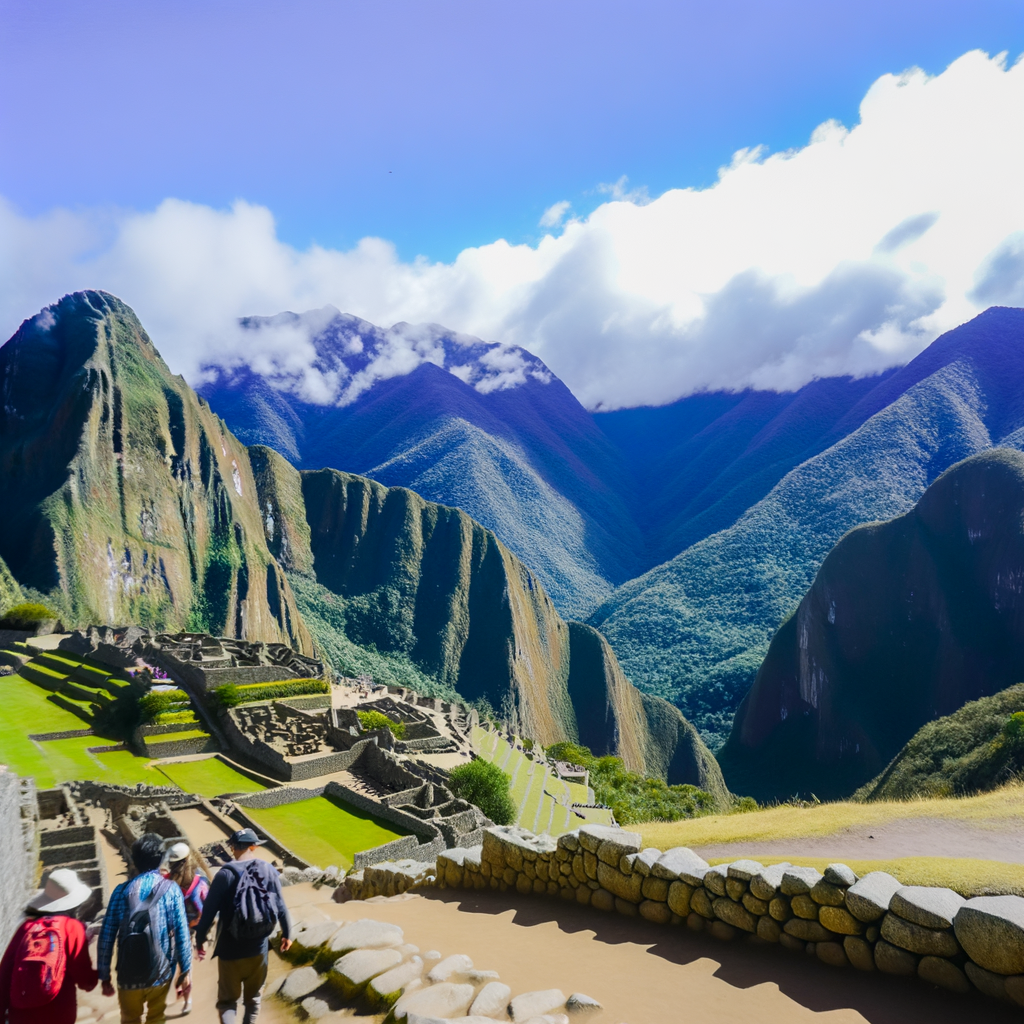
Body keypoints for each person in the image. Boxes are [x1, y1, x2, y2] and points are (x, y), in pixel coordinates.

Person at [194, 829, 292, 1024]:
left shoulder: (224, 875)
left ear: (232, 848)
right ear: (254, 846)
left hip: (230, 952)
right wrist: (287, 934)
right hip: (258, 950)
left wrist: (200, 940)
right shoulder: (268, 870)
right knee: (253, 1000)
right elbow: (281, 907)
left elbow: (208, 914)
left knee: (228, 1003)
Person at [97, 833, 192, 1024]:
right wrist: (185, 970)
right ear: (161, 859)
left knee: (130, 1019)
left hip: (128, 974)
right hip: (160, 972)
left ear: (135, 860)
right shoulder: (171, 889)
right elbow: (182, 934)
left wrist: (104, 973)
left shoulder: (120, 892)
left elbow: (107, 936)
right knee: (156, 1018)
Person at [0, 868, 98, 1024]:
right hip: (58, 1014)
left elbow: (4, 973)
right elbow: (86, 981)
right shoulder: (72, 928)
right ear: (74, 905)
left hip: (20, 1016)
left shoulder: (27, 927)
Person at [163, 843, 210, 1015]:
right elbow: (205, 912)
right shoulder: (199, 881)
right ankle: (187, 1000)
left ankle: (175, 995)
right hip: (187, 932)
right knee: (185, 968)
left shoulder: (167, 881)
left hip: (168, 931)